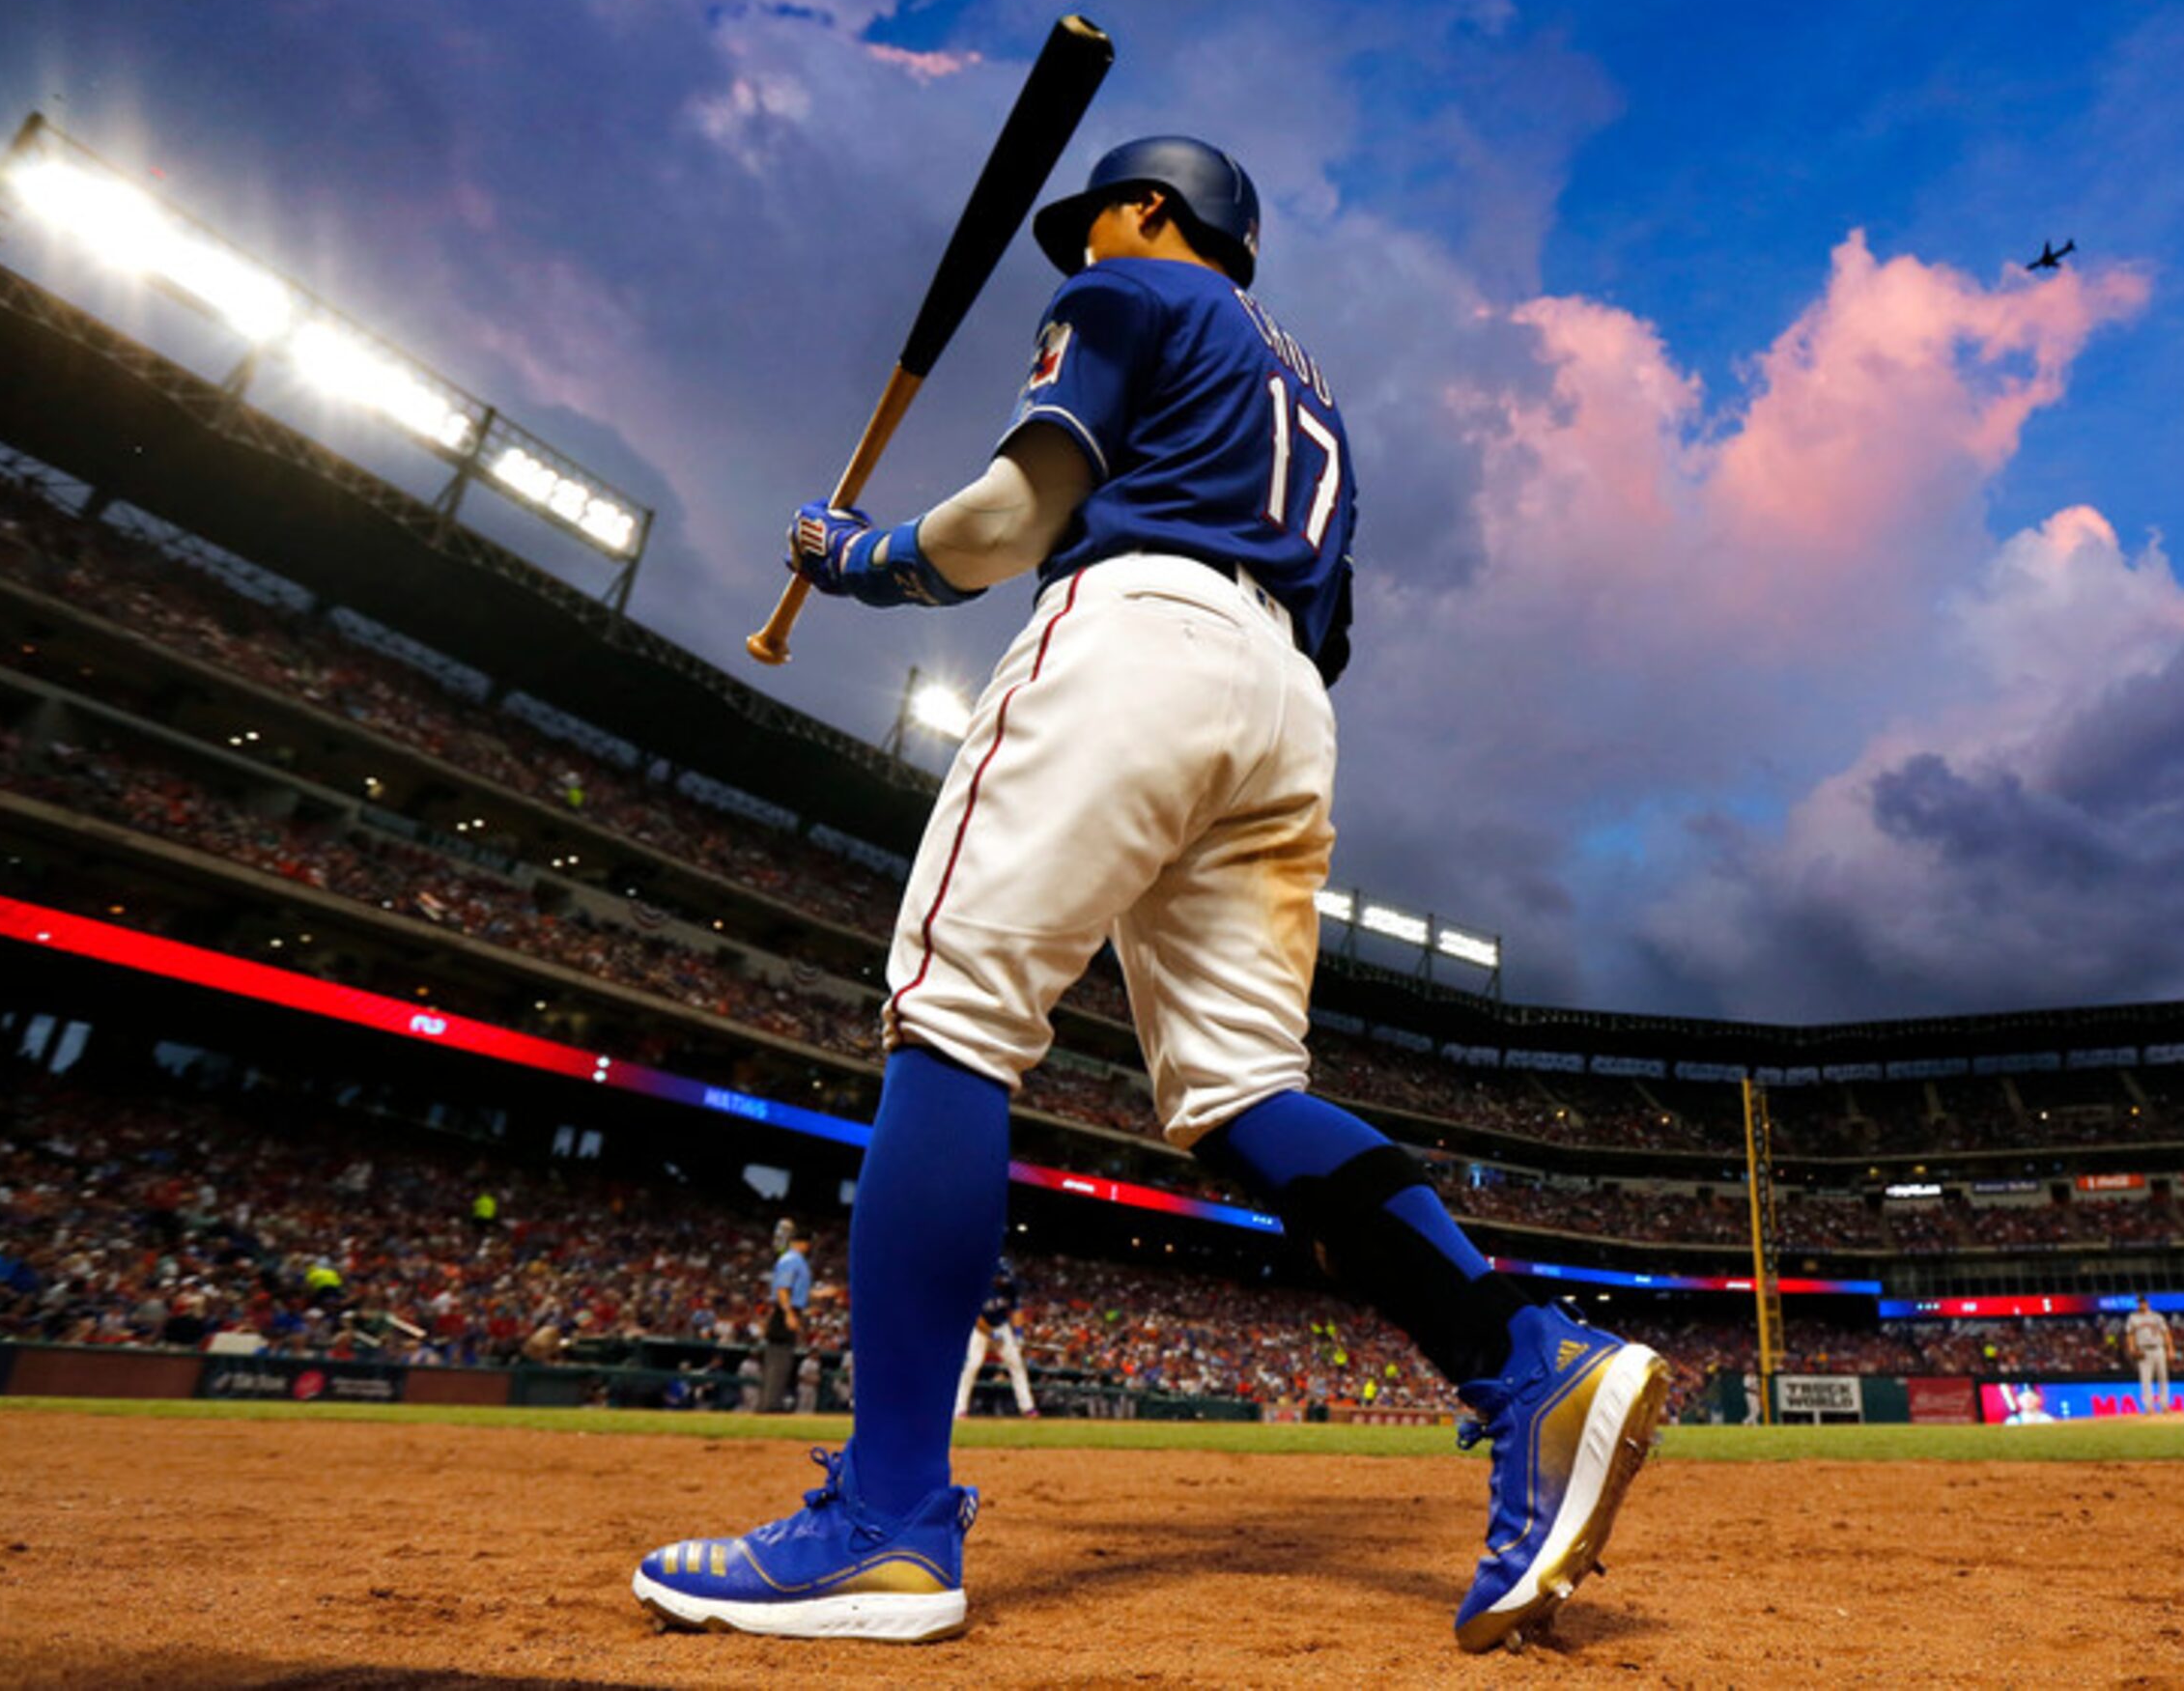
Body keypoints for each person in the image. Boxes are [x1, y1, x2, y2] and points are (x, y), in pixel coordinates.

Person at [633, 136, 1666, 1652]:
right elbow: (1331, 624)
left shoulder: (1132, 292)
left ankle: (887, 1520)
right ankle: (1527, 1358)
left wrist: (856, 557)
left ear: (1156, 214)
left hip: (1136, 632)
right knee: (1246, 1090)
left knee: (953, 1016)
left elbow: (1003, 524)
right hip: (1283, 710)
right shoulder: (1311, 402)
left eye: (1096, 219)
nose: (1079, 247)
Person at [952, 1261, 1035, 1419]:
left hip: (1002, 1327)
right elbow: (975, 1318)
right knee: (972, 1366)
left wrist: (1018, 1333)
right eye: (1001, 1276)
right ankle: (959, 1409)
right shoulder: (979, 1288)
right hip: (979, 1330)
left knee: (1016, 1364)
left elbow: (1016, 1310)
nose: (1004, 1280)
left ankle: (1028, 1408)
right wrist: (990, 1334)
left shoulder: (1010, 1287)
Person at [760, 1231, 811, 1414]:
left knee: (783, 1360)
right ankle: (770, 1405)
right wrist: (788, 1314)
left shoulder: (796, 1260)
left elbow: (798, 1291)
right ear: (801, 1243)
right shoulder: (791, 1260)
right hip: (784, 1311)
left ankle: (774, 1403)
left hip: (789, 1309)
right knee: (778, 1360)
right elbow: (782, 1289)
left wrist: (820, 1294)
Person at [2125, 1295, 2173, 1414]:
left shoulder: (2157, 1317)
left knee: (2163, 1377)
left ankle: (2165, 1405)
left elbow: (2165, 1333)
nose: (2141, 1304)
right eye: (2139, 1302)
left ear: (2147, 1303)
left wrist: (2170, 1349)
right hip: (2143, 1350)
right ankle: (2149, 1407)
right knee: (2146, 1380)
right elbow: (2130, 1335)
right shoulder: (2133, 1318)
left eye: (2143, 1302)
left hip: (2159, 1348)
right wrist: (2131, 1348)